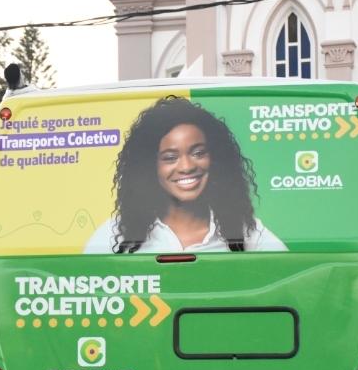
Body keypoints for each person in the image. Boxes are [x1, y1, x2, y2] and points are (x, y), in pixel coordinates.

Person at [84, 96, 286, 253]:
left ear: (215, 158)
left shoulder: (247, 233)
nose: (187, 166)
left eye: (198, 153)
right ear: (149, 166)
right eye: (170, 157)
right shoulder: (114, 236)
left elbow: (290, 284)